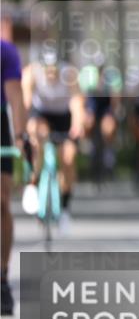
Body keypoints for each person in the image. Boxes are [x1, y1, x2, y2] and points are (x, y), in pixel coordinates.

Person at [22, 47, 86, 233]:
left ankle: (65, 208)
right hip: (41, 114)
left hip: (63, 116)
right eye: (47, 70)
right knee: (35, 134)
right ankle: (33, 182)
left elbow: (77, 103)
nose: (51, 74)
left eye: (54, 70)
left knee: (69, 157)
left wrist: (77, 126)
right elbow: (26, 103)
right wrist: (25, 128)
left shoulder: (69, 74)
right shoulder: (31, 73)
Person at [1, 38, 28, 315]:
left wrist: (20, 136)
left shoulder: (5, 51)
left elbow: (16, 96)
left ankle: (2, 278)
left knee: (1, 200)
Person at [81, 54, 123, 178]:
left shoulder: (112, 75)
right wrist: (84, 114)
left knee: (109, 128)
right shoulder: (86, 74)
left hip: (106, 104)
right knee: (88, 121)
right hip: (92, 101)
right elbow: (82, 96)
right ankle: (88, 145)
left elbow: (116, 96)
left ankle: (109, 155)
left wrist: (116, 111)